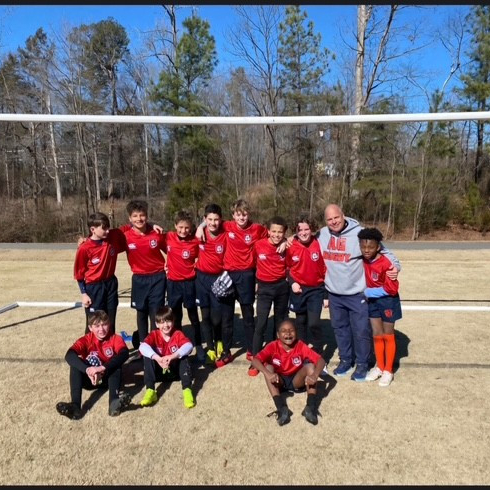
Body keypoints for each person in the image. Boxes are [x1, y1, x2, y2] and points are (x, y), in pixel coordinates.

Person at [318, 204, 401, 382]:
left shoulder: (360, 233)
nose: (333, 222)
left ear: (344, 215)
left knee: (361, 330)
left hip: (357, 293)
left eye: (336, 217)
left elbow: (385, 251)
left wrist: (396, 267)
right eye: (329, 219)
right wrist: (289, 240)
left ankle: (363, 363)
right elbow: (303, 237)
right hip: (334, 293)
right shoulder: (322, 234)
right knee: (340, 329)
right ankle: (346, 360)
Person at [196, 199, 268, 369]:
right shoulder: (227, 226)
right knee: (226, 317)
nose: (241, 217)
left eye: (245, 214)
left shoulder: (257, 229)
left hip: (247, 276)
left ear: (249, 214)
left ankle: (252, 349)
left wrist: (286, 241)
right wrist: (200, 226)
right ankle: (226, 351)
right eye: (238, 214)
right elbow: (209, 221)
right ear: (233, 215)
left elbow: (273, 235)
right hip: (228, 276)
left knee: (248, 315)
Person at [55, 310, 131, 420]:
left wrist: (102, 368)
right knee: (75, 366)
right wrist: (88, 370)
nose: (101, 329)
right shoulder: (86, 340)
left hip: (108, 379)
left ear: (109, 324)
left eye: (104, 324)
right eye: (97, 326)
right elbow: (69, 355)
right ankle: (75, 406)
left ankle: (114, 402)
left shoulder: (115, 338)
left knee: (116, 365)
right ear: (90, 328)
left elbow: (124, 354)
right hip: (90, 380)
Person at [251, 319, 325, 426]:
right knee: (269, 368)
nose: (288, 333)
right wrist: (268, 374)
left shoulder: (300, 345)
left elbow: (321, 360)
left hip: (296, 380)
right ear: (278, 335)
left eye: (291, 330)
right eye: (284, 331)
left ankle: (310, 408)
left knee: (310, 367)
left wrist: (315, 375)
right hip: (278, 380)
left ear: (296, 333)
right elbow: (255, 360)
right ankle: (281, 409)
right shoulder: (272, 346)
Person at [120, 200, 167, 350]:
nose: (139, 219)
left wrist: (169, 265)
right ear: (129, 218)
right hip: (139, 279)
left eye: (142, 215)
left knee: (155, 313)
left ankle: (154, 344)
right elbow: (106, 234)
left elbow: (171, 251)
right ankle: (142, 345)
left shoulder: (156, 234)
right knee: (141, 312)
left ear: (147, 216)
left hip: (158, 278)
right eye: (135, 216)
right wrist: (85, 239)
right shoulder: (125, 236)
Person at [358, 227, 402, 387]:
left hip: (388, 301)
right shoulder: (362, 260)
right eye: (363, 247)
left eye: (370, 247)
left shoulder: (386, 262)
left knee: (387, 333)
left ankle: (388, 370)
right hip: (373, 303)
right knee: (376, 333)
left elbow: (392, 289)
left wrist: (369, 292)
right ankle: (379, 366)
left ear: (378, 247)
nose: (366, 250)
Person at [248, 216, 290, 377]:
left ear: (284, 233)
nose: (277, 235)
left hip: (281, 287)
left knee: (279, 323)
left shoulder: (287, 246)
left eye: (280, 232)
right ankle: (256, 360)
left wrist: (287, 241)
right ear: (268, 231)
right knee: (261, 323)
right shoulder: (259, 245)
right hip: (264, 288)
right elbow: (251, 264)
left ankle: (275, 356)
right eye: (274, 231)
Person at [73, 212, 127, 334]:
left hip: (111, 284)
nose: (107, 230)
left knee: (110, 320)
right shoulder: (84, 248)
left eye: (108, 227)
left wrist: (151, 225)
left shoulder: (112, 236)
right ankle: (91, 350)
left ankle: (110, 350)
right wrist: (84, 293)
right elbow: (79, 273)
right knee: (94, 322)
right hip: (94, 287)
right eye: (104, 228)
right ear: (93, 229)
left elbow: (132, 226)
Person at [166, 210, 205, 362]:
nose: (183, 231)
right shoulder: (168, 237)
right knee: (176, 317)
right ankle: (180, 345)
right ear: (175, 225)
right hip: (173, 283)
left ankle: (199, 345)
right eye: (180, 227)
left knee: (193, 316)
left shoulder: (195, 240)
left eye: (187, 228)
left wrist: (201, 226)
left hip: (190, 283)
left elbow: (203, 254)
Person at [286, 215, 328, 356]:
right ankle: (302, 351)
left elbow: (326, 269)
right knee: (300, 322)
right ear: (295, 231)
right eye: (300, 230)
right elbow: (287, 268)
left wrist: (326, 294)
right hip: (299, 290)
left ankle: (318, 353)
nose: (303, 232)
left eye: (307, 229)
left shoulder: (319, 243)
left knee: (314, 323)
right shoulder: (291, 246)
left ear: (312, 229)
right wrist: (292, 283)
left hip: (316, 289)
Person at [138, 306, 196, 408]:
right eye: (162, 322)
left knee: (183, 355)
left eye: (168, 321)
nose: (165, 325)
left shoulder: (177, 334)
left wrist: (172, 356)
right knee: (148, 356)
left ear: (173, 322)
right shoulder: (154, 334)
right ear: (156, 324)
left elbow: (189, 345)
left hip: (176, 371)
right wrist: (158, 358)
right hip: (159, 372)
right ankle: (150, 391)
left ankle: (187, 390)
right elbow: (142, 347)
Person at [195, 203, 227, 364]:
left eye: (216, 219)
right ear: (204, 219)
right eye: (209, 219)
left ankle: (219, 340)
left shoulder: (226, 233)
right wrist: (200, 227)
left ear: (221, 220)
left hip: (218, 279)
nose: (213, 223)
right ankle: (210, 348)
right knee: (205, 316)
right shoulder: (199, 234)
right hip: (201, 279)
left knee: (216, 317)